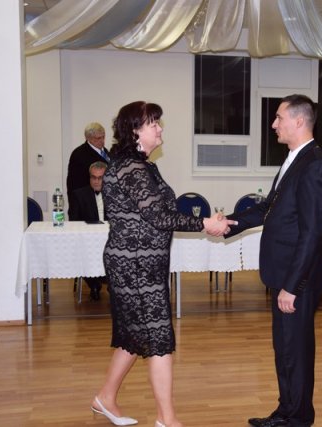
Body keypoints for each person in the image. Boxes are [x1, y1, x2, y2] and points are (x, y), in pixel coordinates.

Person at [92, 101, 233, 427]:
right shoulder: (132, 167)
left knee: (134, 335)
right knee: (157, 337)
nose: (159, 128)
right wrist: (204, 224)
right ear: (135, 130)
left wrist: (205, 222)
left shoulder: (140, 165)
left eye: (158, 122)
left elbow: (158, 213)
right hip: (135, 265)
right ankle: (166, 419)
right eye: (153, 123)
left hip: (140, 262)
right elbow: (159, 216)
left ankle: (105, 398)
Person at [226, 94, 322, 427]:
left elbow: (312, 233)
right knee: (285, 348)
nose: (273, 124)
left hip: (296, 278)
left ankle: (298, 418)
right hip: (284, 273)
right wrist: (227, 223)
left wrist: (292, 286)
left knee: (295, 351)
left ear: (299, 121)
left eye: (278, 118)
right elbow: (268, 209)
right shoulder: (295, 159)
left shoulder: (314, 164)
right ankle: (286, 411)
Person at [68, 161, 108, 301]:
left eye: (100, 178)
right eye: (93, 177)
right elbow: (73, 221)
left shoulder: (116, 194)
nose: (96, 181)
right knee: (82, 250)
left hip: (110, 239)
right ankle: (94, 284)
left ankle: (112, 283)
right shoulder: (79, 195)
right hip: (88, 240)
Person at [67, 122, 110, 212]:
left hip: (105, 200)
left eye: (103, 137)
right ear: (88, 138)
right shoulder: (79, 154)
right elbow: (73, 184)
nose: (102, 140)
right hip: (88, 204)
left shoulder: (105, 152)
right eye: (98, 138)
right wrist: (75, 208)